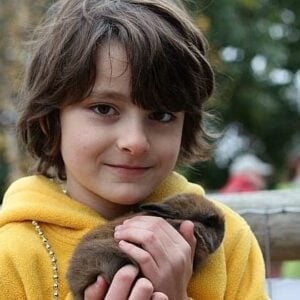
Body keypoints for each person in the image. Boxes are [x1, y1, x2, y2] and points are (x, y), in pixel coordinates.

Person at [0, 0, 269, 299]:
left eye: (162, 115)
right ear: (51, 120)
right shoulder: (10, 257)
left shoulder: (227, 240)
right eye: (104, 108)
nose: (136, 141)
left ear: (185, 124)